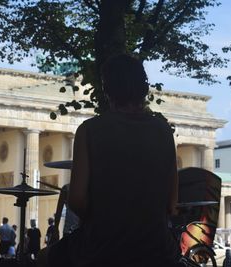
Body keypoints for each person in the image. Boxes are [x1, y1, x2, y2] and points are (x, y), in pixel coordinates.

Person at [45, 54, 179, 267]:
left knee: (47, 258)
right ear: (143, 88)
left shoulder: (89, 131)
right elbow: (172, 204)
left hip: (102, 247)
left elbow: (77, 199)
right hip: (157, 248)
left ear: (107, 90)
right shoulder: (163, 131)